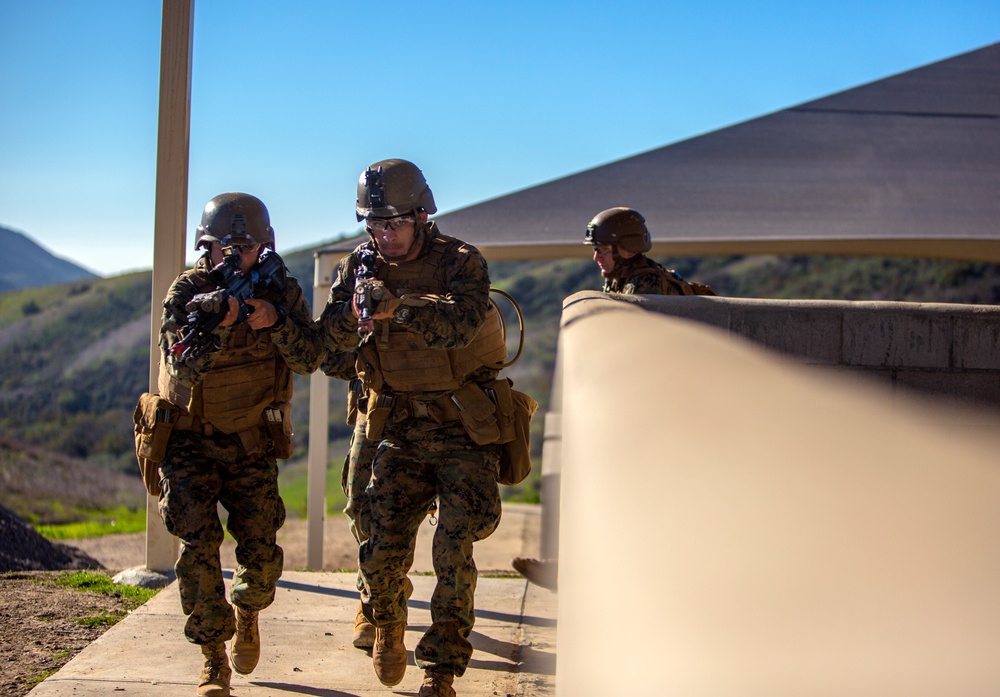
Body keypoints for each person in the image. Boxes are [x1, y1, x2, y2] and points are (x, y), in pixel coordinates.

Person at [317, 159, 508, 697]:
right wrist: (349, 326)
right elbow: (328, 355)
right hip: (396, 427)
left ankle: (441, 669)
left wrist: (398, 309)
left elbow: (462, 322)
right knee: (378, 547)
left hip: (457, 426)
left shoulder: (460, 261)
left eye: (395, 223)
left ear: (423, 215)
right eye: (375, 225)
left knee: (454, 548)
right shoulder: (356, 268)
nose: (385, 235)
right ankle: (386, 617)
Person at [154, 192, 325, 697]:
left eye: (243, 247)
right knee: (197, 547)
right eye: (219, 248)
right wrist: (216, 326)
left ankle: (248, 611)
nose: (230, 258)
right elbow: (180, 366)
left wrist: (275, 322)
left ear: (263, 247)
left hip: (251, 440)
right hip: (191, 441)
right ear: (203, 247)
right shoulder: (188, 291)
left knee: (261, 554)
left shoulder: (280, 288)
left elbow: (311, 356)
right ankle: (212, 659)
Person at [584, 206, 715, 295]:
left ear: (629, 249)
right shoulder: (620, 278)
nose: (596, 257)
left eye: (604, 250)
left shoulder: (645, 285)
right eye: (596, 249)